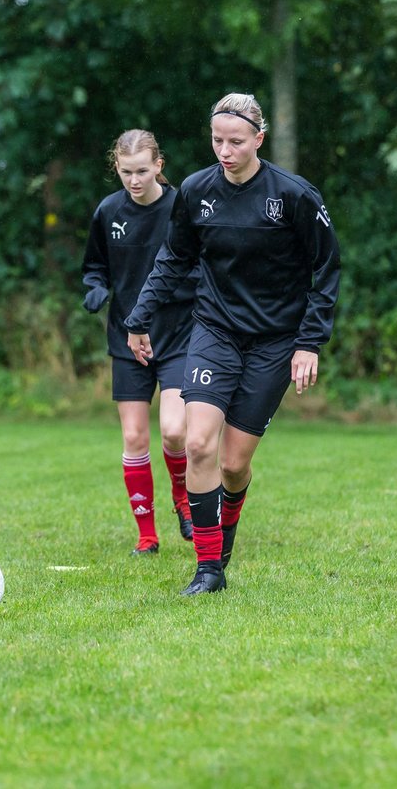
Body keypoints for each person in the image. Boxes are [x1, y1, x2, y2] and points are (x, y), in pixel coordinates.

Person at [125, 93, 341, 595]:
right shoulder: (197, 190)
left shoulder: (293, 196)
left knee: (234, 463)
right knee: (198, 441)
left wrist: (309, 342)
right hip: (214, 331)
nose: (225, 150)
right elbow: (173, 260)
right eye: (217, 140)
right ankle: (208, 569)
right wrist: (139, 318)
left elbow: (326, 270)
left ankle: (223, 537)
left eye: (236, 142)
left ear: (259, 140)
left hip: (273, 342)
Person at [82, 129, 196, 555]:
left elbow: (203, 265)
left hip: (178, 333)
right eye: (127, 172)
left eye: (143, 171)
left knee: (173, 430)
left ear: (159, 167)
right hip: (126, 338)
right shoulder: (108, 211)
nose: (134, 180)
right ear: (117, 168)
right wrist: (94, 287)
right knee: (133, 438)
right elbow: (95, 265)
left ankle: (183, 500)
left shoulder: (182, 208)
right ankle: (147, 536)